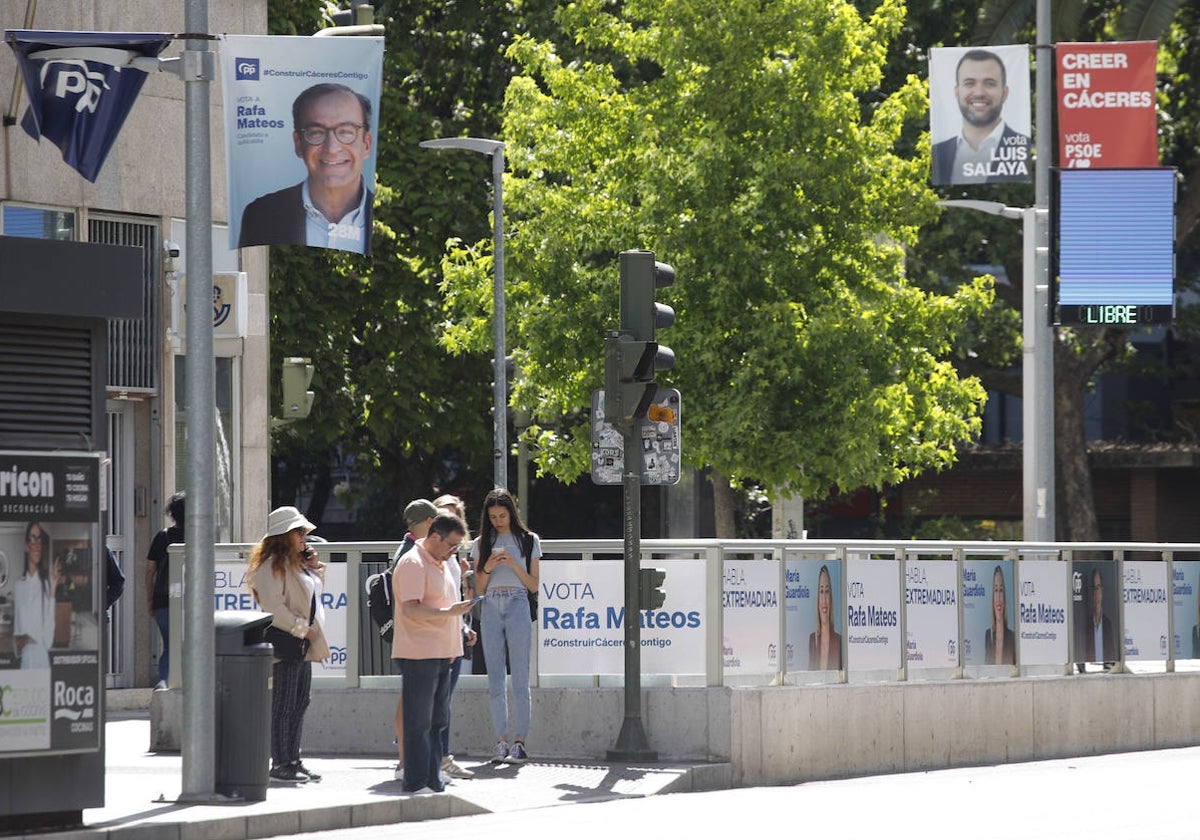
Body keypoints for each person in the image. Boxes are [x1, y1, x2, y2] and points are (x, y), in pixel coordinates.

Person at [238, 82, 375, 255]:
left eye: (346, 132)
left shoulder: (383, 215)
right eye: (316, 132)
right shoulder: (261, 215)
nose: (332, 148)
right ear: (299, 144)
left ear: (367, 144)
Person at [391, 512, 474, 794]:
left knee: (437, 721)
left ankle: (432, 779)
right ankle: (415, 782)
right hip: (418, 654)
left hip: (441, 653)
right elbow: (411, 609)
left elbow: (444, 608)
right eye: (451, 545)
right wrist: (448, 613)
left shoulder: (441, 562)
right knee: (419, 722)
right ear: (435, 536)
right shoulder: (413, 562)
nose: (454, 552)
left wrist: (453, 644)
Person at [247, 506, 330, 783]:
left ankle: (293, 760)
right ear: (284, 535)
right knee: (283, 705)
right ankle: (281, 763)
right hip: (286, 643)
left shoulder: (294, 563)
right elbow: (273, 608)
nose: (304, 537)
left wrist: (314, 568)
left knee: (299, 702)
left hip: (301, 644)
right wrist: (303, 630)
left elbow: (313, 594)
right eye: (299, 532)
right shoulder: (270, 566)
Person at [470, 488, 541, 764]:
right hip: (490, 606)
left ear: (512, 512)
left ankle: (520, 742)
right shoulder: (481, 542)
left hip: (517, 601)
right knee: (496, 678)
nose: (498, 520)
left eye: (502, 515)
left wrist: (512, 563)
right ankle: (500, 741)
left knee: (520, 678)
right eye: (493, 516)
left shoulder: (528, 540)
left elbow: (534, 585)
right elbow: (480, 586)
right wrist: (487, 565)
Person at [388, 498, 439, 783]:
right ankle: (405, 762)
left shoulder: (406, 549)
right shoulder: (411, 554)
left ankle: (406, 761)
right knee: (410, 700)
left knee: (411, 698)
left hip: (409, 634)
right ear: (430, 522)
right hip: (412, 636)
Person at [931, 48, 1031, 185]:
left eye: (989, 83)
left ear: (1005, 92)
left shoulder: (1025, 148)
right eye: (969, 83)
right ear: (957, 92)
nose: (979, 92)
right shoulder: (940, 153)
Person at [432, 493, 476, 780]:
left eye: (453, 515)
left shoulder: (452, 557)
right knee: (435, 702)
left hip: (453, 634)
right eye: (442, 515)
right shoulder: (426, 556)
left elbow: (458, 599)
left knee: (444, 702)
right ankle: (431, 760)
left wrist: (463, 627)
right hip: (436, 639)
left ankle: (442, 758)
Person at [146, 491, 184, 689]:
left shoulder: (163, 537)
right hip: (190, 603)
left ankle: (165, 684)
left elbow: (150, 570)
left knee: (170, 645)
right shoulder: (199, 538)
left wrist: (150, 600)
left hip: (163, 600)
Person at [13, 522, 60, 669]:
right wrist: (21, 640)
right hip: (25, 662)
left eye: (39, 539)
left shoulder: (45, 585)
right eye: (33, 538)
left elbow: (49, 639)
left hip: (42, 660)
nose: (37, 544)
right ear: (27, 546)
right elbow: (17, 636)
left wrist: (52, 590)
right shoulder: (18, 586)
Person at [807, 564, 842, 670]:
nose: (824, 599)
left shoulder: (839, 641)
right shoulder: (812, 640)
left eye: (827, 591)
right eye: (821, 591)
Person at [1082, 566, 1117, 663]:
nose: (1096, 593)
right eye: (1094, 588)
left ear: (1102, 590)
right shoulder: (1087, 624)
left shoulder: (1107, 624)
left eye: (1098, 588)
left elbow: (1112, 656)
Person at [984, 564, 1016, 665]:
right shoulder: (988, 636)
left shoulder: (1012, 637)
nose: (998, 597)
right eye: (996, 590)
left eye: (1001, 590)